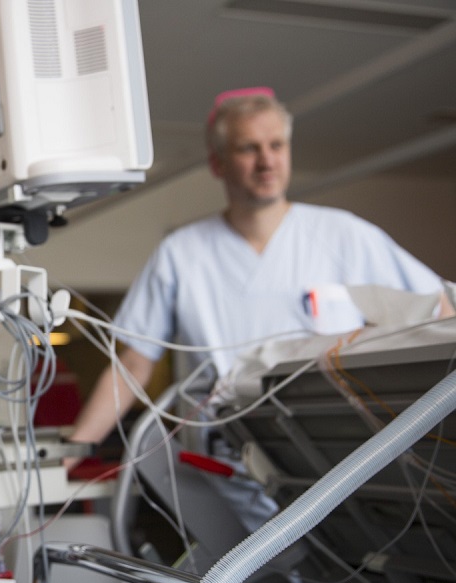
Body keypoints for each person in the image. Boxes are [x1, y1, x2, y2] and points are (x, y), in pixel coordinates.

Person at [69, 86, 454, 449]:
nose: (266, 161)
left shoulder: (345, 235)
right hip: (225, 458)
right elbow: (133, 365)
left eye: (276, 145)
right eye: (249, 148)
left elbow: (441, 312)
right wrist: (75, 452)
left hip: (334, 453)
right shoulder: (181, 252)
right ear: (218, 163)